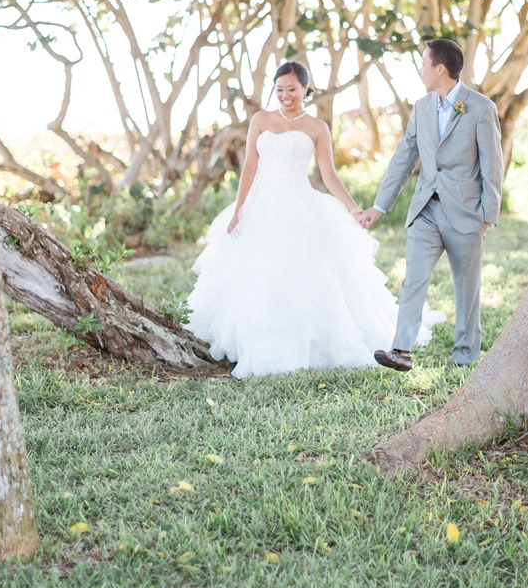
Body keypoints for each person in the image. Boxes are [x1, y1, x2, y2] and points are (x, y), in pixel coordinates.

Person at [187, 61, 444, 379]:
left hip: (300, 203)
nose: (285, 95)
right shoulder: (261, 120)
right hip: (260, 205)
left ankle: (304, 341)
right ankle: (254, 339)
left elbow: (329, 174)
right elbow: (249, 166)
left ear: (306, 88)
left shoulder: (316, 127)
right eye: (279, 90)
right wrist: (239, 209)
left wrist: (353, 209)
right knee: (255, 273)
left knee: (307, 273)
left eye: (291, 89)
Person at [359, 38, 503, 370]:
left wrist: (487, 214)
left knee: (467, 289)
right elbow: (403, 158)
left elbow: (493, 165)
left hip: (467, 213)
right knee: (413, 278)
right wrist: (380, 207)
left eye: (424, 63)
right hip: (425, 209)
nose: (421, 69)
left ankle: (465, 357)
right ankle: (401, 350)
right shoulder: (422, 107)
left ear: (439, 69)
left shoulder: (480, 108)